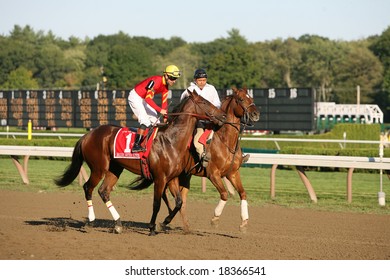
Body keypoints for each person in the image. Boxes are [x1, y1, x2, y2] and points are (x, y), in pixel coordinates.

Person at [128, 64, 181, 152]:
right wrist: (160, 110)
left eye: (175, 78)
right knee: (145, 121)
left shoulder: (166, 88)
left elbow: (164, 104)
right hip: (136, 97)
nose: (174, 81)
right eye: (172, 78)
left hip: (144, 99)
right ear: (166, 75)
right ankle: (136, 145)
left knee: (155, 121)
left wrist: (165, 118)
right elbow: (148, 99)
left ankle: (151, 144)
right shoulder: (156, 80)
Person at [181, 68, 221, 167]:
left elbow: (217, 103)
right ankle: (203, 158)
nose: (202, 82)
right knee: (197, 141)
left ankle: (238, 153)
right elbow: (182, 103)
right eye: (200, 80)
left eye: (204, 80)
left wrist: (210, 109)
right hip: (198, 121)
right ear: (195, 80)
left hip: (212, 119)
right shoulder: (189, 90)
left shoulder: (211, 88)